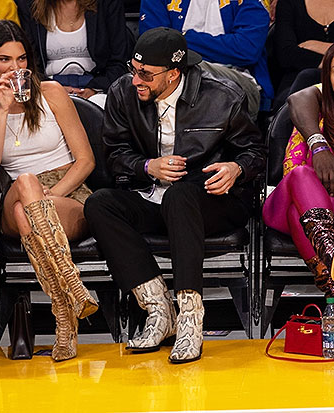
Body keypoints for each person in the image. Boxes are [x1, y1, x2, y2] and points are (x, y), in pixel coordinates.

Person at [84, 28, 265, 363]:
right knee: (99, 204)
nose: (135, 80)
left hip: (212, 199)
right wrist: (147, 166)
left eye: (146, 75)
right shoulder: (123, 93)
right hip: (153, 193)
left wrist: (235, 170)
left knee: (180, 197)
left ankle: (190, 319)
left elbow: (255, 153)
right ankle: (158, 309)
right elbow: (113, 154)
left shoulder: (222, 95)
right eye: (133, 69)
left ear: (173, 74)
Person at [0, 19, 98, 362]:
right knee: (25, 183)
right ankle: (73, 283)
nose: (15, 67)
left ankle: (64, 315)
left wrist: (51, 199)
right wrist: (3, 110)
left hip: (66, 189)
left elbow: (85, 160)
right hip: (13, 192)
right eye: (5, 60)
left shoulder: (52, 92)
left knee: (31, 208)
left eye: (21, 59)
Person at [263, 44, 334, 296]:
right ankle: (331, 255)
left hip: (311, 213)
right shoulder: (314, 109)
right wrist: (318, 145)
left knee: (299, 212)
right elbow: (297, 98)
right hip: (280, 207)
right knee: (301, 175)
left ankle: (328, 279)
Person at [139, 0, 272, 119]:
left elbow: (247, 49)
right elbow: (153, 44)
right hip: (171, 76)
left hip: (238, 79)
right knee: (135, 80)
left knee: (192, 69)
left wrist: (182, 38)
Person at [15, 0, 131, 108]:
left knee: (98, 107)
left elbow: (119, 61)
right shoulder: (29, 6)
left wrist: (95, 89)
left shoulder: (107, 3)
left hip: (98, 89)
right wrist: (53, 90)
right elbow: (29, 65)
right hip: (47, 88)